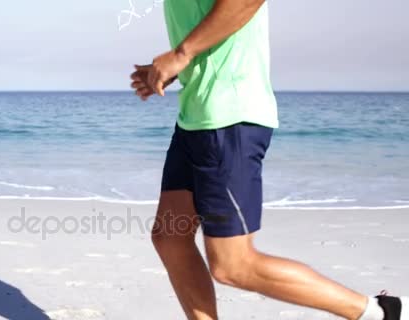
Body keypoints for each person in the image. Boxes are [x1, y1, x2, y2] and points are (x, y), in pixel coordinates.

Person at [129, 0, 406, 319]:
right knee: (170, 237)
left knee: (233, 265)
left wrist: (181, 55)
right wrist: (175, 68)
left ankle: (380, 312)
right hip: (197, 116)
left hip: (229, 117)